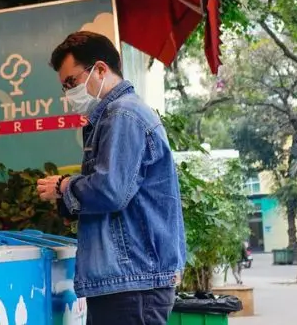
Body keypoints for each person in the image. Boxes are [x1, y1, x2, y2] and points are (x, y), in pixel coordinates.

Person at [36, 31, 186, 325]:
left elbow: (111, 190)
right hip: (130, 279)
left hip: (132, 282)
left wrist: (64, 186)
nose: (68, 94)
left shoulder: (123, 115)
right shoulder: (120, 115)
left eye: (71, 82)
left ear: (101, 69)